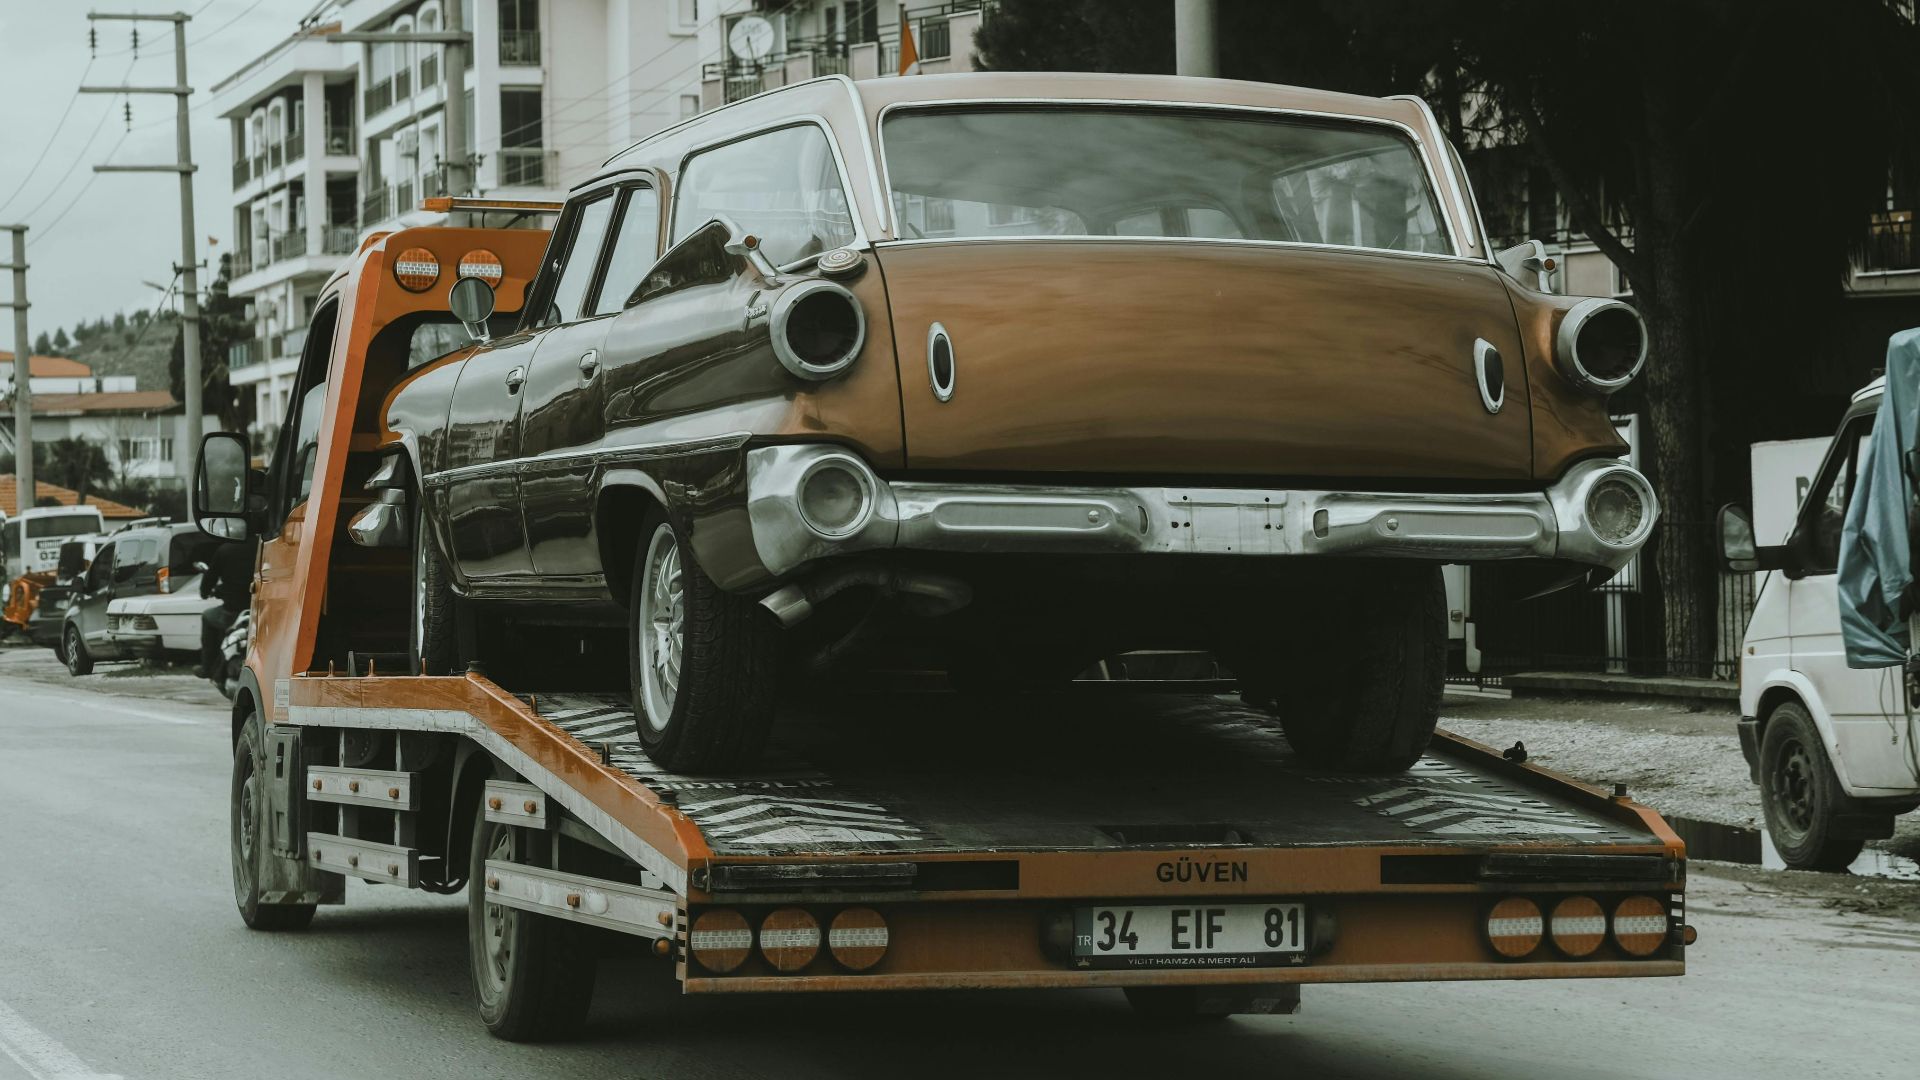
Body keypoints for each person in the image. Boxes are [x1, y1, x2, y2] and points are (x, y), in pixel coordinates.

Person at [196, 539, 256, 679]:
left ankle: (207, 667)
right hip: (260, 609)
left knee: (207, 616)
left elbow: (210, 577)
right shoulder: (265, 545)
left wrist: (205, 592)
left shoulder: (226, 550)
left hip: (232, 610)